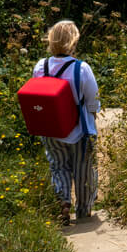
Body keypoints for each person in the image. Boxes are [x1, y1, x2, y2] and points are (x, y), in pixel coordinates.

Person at [34, 19, 100, 226]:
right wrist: (93, 118)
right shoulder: (82, 68)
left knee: (58, 167)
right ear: (73, 42)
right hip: (79, 130)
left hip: (51, 130)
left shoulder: (40, 66)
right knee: (84, 171)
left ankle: (62, 201)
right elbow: (93, 101)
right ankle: (83, 210)